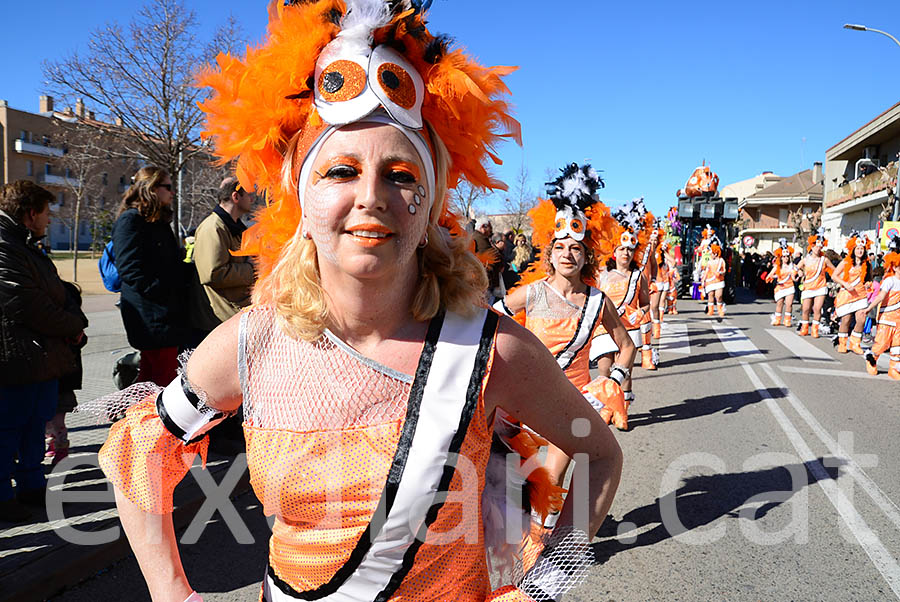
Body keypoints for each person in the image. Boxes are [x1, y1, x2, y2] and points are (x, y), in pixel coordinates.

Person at [95, 2, 622, 600]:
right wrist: (173, 594)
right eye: (341, 171)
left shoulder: (491, 349)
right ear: (302, 195)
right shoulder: (253, 341)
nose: (371, 197)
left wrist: (541, 590)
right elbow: (142, 447)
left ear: (429, 203)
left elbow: (599, 454)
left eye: (400, 174)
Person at [496, 163, 634, 490]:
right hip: (527, 399)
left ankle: (545, 540)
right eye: (559, 247)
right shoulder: (531, 292)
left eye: (575, 248)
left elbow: (626, 347)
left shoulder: (598, 301)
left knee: (552, 478)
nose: (567, 254)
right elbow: (490, 320)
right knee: (520, 483)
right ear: (550, 254)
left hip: (572, 401)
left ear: (587, 257)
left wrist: (612, 381)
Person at [0, 181, 86, 522]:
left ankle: (32, 488)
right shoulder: (6, 245)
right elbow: (26, 303)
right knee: (9, 431)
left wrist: (70, 314)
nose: (50, 220)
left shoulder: (22, 243)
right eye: (47, 213)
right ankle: (5, 498)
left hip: (37, 357)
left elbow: (52, 292)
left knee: (34, 426)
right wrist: (72, 324)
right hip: (17, 358)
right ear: (30, 213)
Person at [112, 166, 188, 385]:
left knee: (151, 379)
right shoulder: (131, 221)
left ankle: (135, 416)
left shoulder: (159, 222)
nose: (172, 192)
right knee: (162, 380)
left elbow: (170, 264)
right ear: (152, 188)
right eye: (168, 187)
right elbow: (130, 270)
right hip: (151, 315)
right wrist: (164, 292)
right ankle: (148, 418)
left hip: (164, 312)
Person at [597, 203, 653, 409]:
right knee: (604, 369)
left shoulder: (638, 277)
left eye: (630, 250)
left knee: (624, 371)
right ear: (614, 252)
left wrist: (641, 312)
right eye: (622, 249)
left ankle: (622, 409)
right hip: (603, 328)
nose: (626, 253)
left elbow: (646, 303)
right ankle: (606, 407)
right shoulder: (601, 274)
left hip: (628, 329)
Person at [193, 176, 256, 324]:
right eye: (248, 194)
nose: (252, 199)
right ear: (236, 196)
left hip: (239, 313)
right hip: (222, 318)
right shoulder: (212, 228)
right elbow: (213, 274)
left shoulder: (234, 228)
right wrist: (253, 269)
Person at [863, 236, 900, 379]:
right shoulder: (889, 281)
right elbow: (880, 297)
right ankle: (871, 361)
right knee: (882, 343)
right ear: (894, 266)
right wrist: (868, 308)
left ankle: (894, 369)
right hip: (887, 318)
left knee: (897, 346)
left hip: (899, 322)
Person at [832, 232, 872, 354]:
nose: (860, 251)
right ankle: (842, 343)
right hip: (847, 294)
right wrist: (844, 284)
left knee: (861, 319)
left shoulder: (868, 264)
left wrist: (868, 284)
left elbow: (868, 278)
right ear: (853, 249)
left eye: (862, 249)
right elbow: (834, 276)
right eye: (858, 248)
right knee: (846, 320)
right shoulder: (845, 262)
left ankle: (855, 343)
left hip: (860, 295)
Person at [798, 228, 836, 338]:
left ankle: (815, 329)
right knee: (805, 309)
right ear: (812, 245)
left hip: (820, 286)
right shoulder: (805, 259)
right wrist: (799, 272)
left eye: (820, 246)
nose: (818, 248)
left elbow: (834, 270)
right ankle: (805, 328)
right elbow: (796, 268)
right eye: (816, 245)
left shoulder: (824, 260)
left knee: (817, 308)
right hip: (808, 286)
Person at [765, 240, 798, 327]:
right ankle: (778, 319)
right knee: (779, 304)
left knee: (789, 304)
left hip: (790, 286)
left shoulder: (792, 265)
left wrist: (798, 274)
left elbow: (798, 273)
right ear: (781, 257)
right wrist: (773, 277)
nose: (785, 258)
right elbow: (770, 275)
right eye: (784, 256)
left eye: (787, 256)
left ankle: (787, 320)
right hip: (780, 287)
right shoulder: (777, 266)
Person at [473, 216, 503, 301]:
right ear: (483, 227)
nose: (491, 230)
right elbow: (494, 257)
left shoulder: (479, 238)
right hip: (485, 281)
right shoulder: (479, 239)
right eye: (490, 227)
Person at [701, 237, 727, 317]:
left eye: (711, 253)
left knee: (718, 296)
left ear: (715, 253)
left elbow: (724, 270)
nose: (710, 254)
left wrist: (721, 273)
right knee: (710, 295)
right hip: (710, 281)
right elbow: (706, 271)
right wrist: (703, 281)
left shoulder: (721, 261)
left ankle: (720, 310)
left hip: (719, 281)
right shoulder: (709, 262)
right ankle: (711, 310)